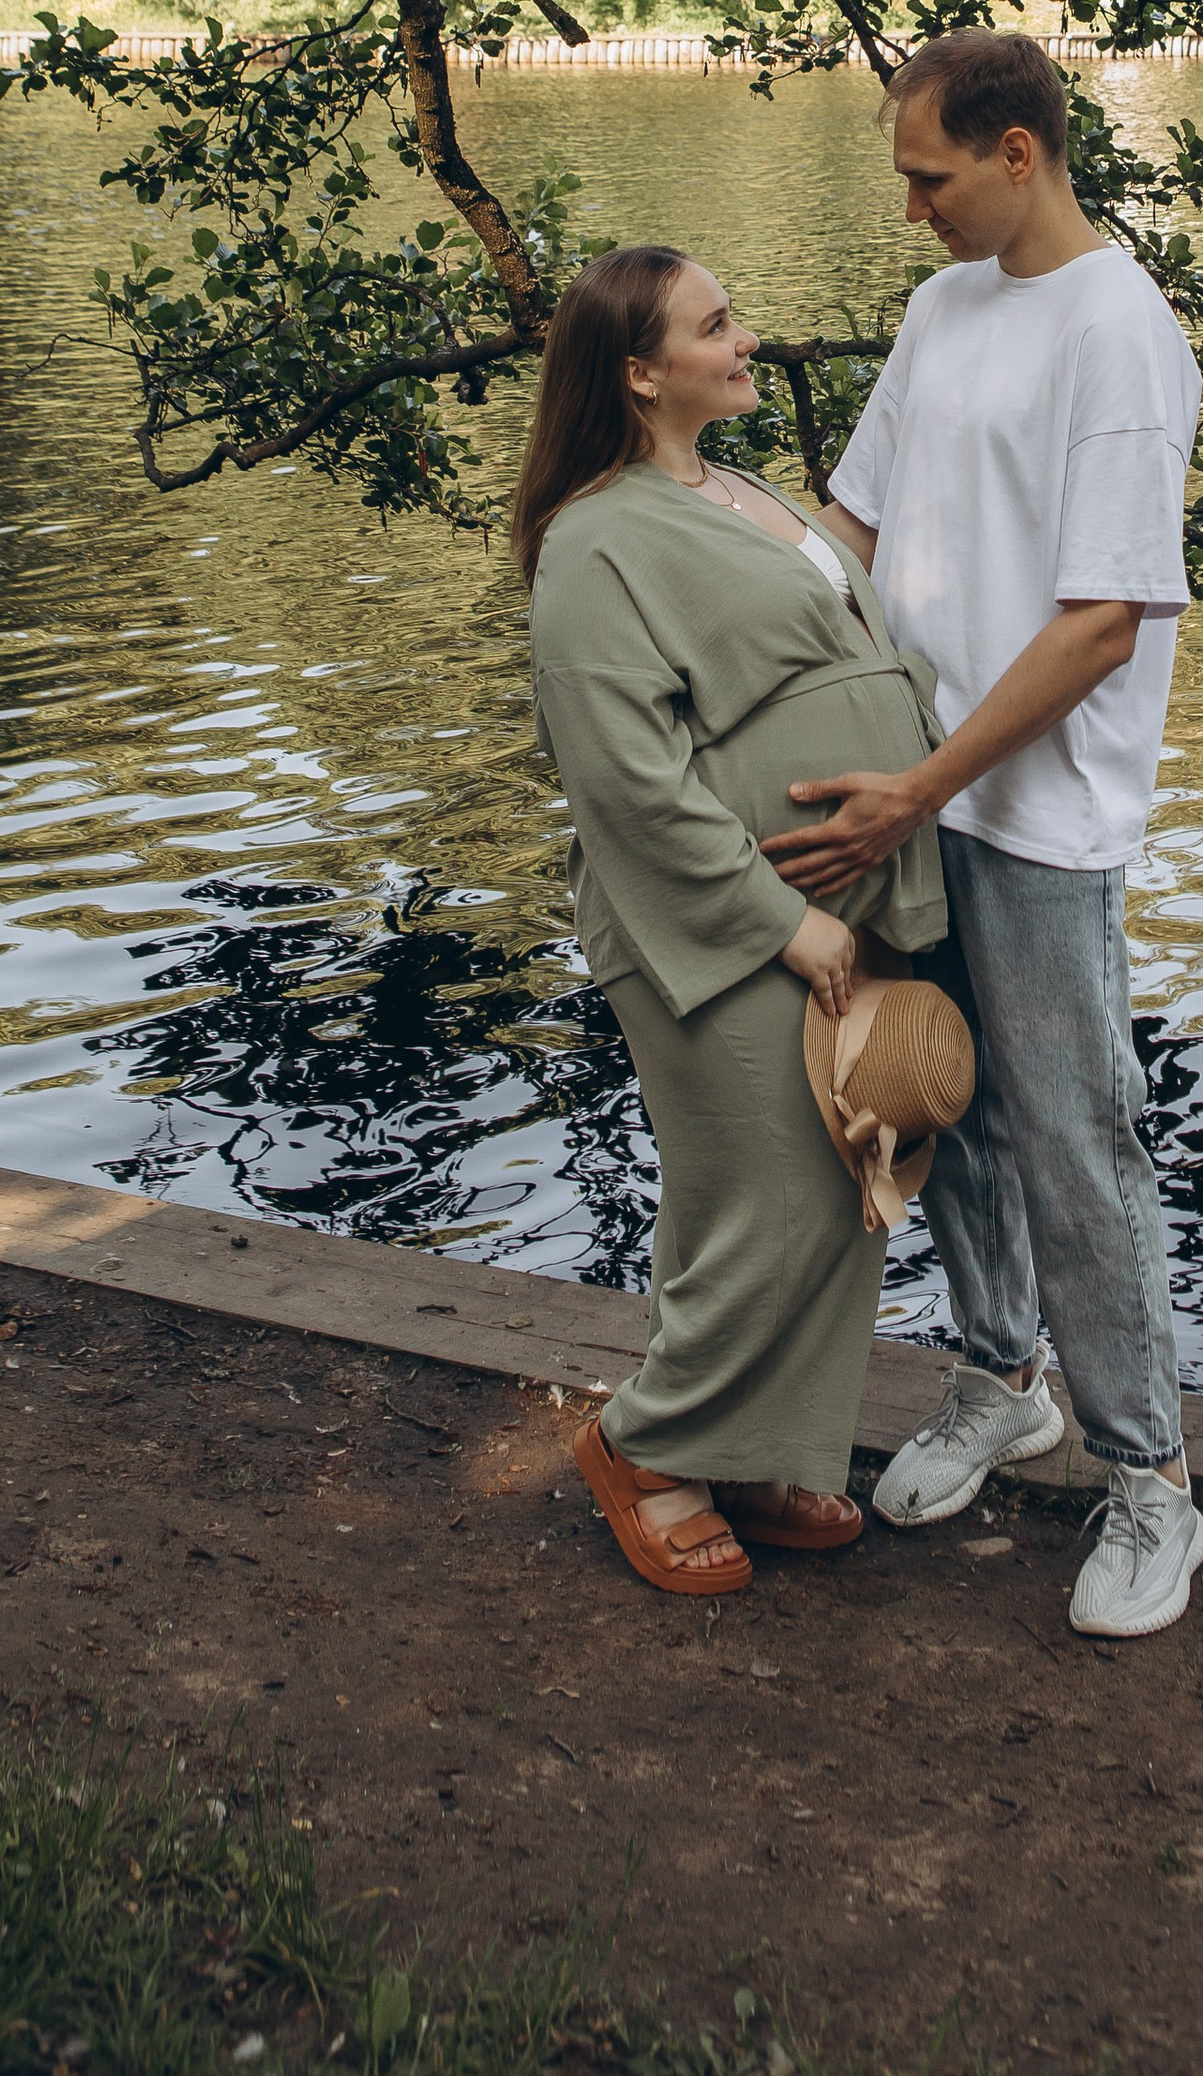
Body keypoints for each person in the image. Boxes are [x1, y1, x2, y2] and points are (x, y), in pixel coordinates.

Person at [765, 30, 1203, 1641]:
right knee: (933, 1095)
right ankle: (1003, 1375)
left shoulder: (1120, 335)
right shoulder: (941, 311)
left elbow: (1103, 622)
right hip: (911, 791)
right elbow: (848, 532)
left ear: (1018, 155)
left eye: (928, 176)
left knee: (1079, 1138)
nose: (911, 208)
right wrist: (717, 606)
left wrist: (925, 786)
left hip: (1033, 815)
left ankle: (1153, 1480)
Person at [518, 243, 949, 1596]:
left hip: (845, 897)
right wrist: (781, 920)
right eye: (717, 327)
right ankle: (648, 1448)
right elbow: (624, 778)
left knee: (840, 1185)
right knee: (763, 1197)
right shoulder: (597, 539)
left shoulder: (745, 491)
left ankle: (757, 1448)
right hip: (720, 922)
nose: (746, 340)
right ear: (641, 372)